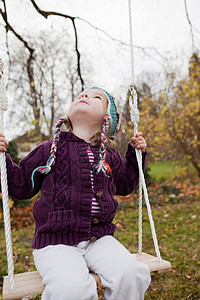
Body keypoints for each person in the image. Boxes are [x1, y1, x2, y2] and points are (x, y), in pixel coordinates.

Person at [0, 87, 151, 300]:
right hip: (55, 241)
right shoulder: (49, 149)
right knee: (72, 290)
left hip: (99, 239)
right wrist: (2, 159)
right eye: (81, 95)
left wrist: (137, 155)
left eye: (96, 97)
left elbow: (126, 184)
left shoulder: (111, 156)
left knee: (132, 274)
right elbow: (20, 185)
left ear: (108, 120)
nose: (84, 96)